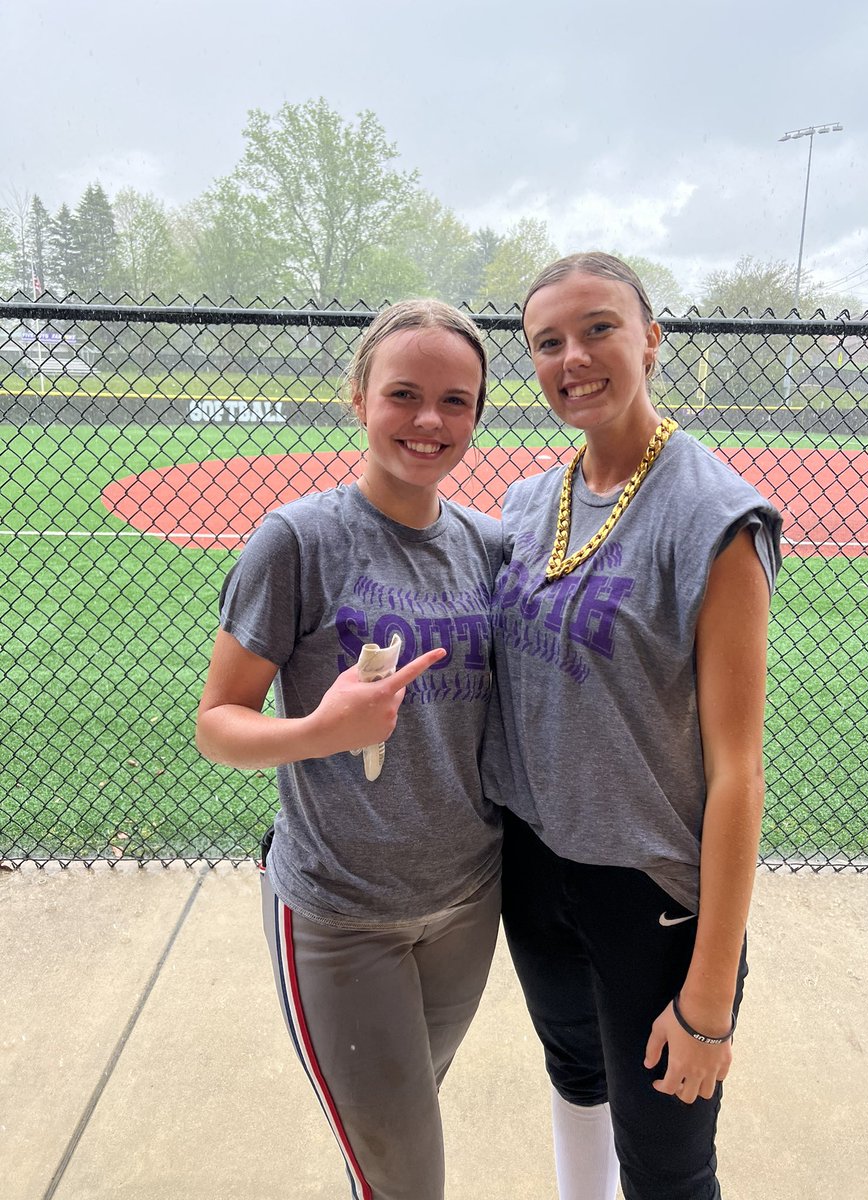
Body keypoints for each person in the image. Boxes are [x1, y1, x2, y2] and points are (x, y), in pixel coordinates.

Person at [482, 253, 782, 1200]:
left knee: (668, 1163)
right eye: (548, 341)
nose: (573, 356)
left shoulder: (714, 516)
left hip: (648, 895)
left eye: (599, 328)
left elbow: (737, 771)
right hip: (531, 864)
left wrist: (708, 998)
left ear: (652, 338)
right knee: (575, 1080)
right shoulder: (529, 502)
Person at [196, 299, 503, 1200]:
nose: (429, 421)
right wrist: (318, 732)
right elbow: (219, 721)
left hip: (466, 907)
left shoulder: (486, 545)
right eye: (403, 393)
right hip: (340, 913)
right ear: (358, 398)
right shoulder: (299, 540)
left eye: (456, 401)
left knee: (391, 1143)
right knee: (407, 1178)